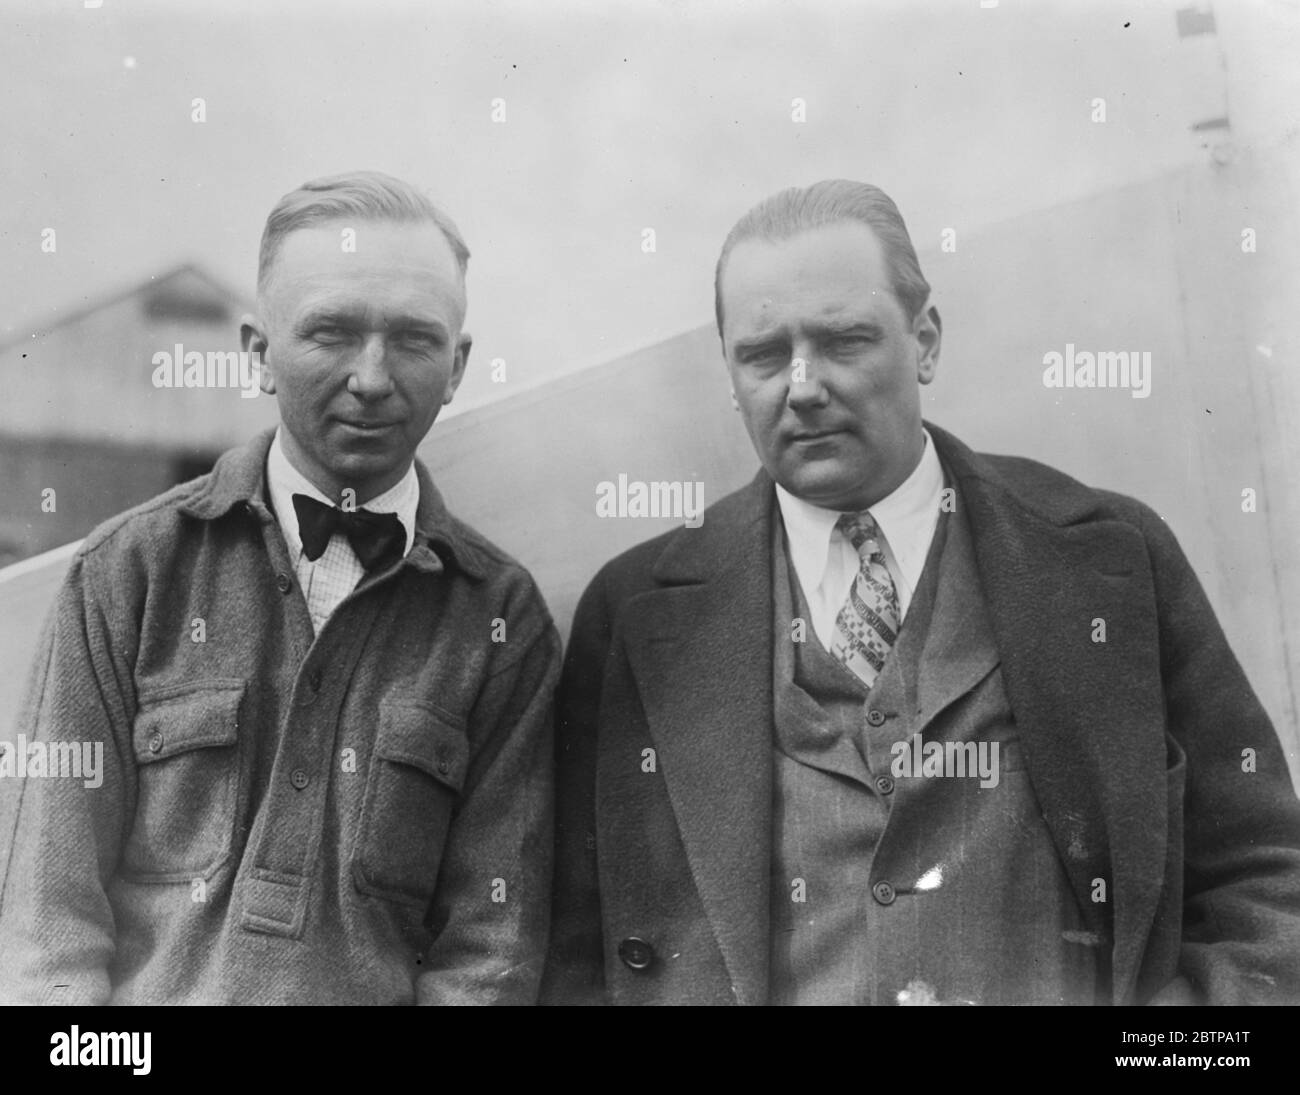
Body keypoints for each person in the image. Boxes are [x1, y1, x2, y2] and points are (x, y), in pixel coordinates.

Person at [542, 179, 1300, 1006]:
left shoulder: (1110, 559)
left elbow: (1266, 877)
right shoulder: (635, 614)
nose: (801, 385)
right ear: (729, 373)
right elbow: (576, 954)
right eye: (763, 355)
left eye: (845, 340)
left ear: (926, 341)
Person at [0, 171, 560, 1005]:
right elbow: (49, 927)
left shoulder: (500, 618)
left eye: (412, 339)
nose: (371, 377)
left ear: (457, 367)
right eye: (330, 332)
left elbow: (490, 953)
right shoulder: (128, 572)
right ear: (258, 353)